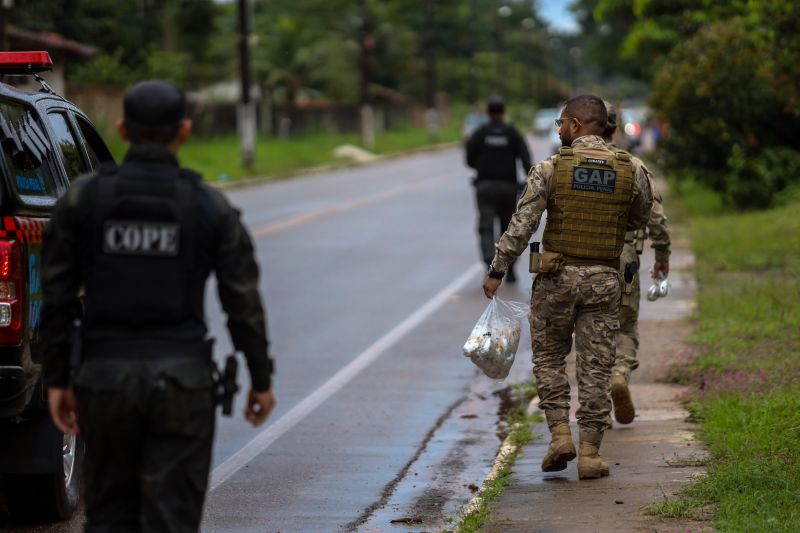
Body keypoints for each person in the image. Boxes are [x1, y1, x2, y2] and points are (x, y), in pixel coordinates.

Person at [40, 80, 276, 532]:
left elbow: (56, 299)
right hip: (182, 387)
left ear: (122, 129)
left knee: (109, 517)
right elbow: (242, 301)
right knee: (173, 520)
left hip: (104, 384)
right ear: (184, 131)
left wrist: (57, 379)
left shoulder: (82, 201)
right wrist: (260, 379)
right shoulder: (208, 206)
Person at [483, 95, 653, 479]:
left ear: (576, 125)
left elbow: (522, 223)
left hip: (556, 280)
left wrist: (497, 269)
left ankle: (560, 435)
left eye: (561, 122)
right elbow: (640, 217)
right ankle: (590, 453)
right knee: (596, 367)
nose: (558, 129)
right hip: (604, 281)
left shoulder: (552, 167)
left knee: (549, 360)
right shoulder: (630, 168)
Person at [602, 102, 671, 425]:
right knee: (625, 327)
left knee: (589, 333)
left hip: (578, 262)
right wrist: (662, 257)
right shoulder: (632, 165)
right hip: (625, 259)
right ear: (615, 127)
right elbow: (656, 218)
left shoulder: (565, 165)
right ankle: (619, 374)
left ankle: (594, 405)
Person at [466, 96, 532, 283]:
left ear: (488, 113)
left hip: (485, 186)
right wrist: (529, 182)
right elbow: (526, 160)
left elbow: (469, 160)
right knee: (508, 229)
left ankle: (490, 265)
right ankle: (509, 269)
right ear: (504, 112)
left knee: (486, 227)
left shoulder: (480, 133)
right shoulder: (513, 133)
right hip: (508, 187)